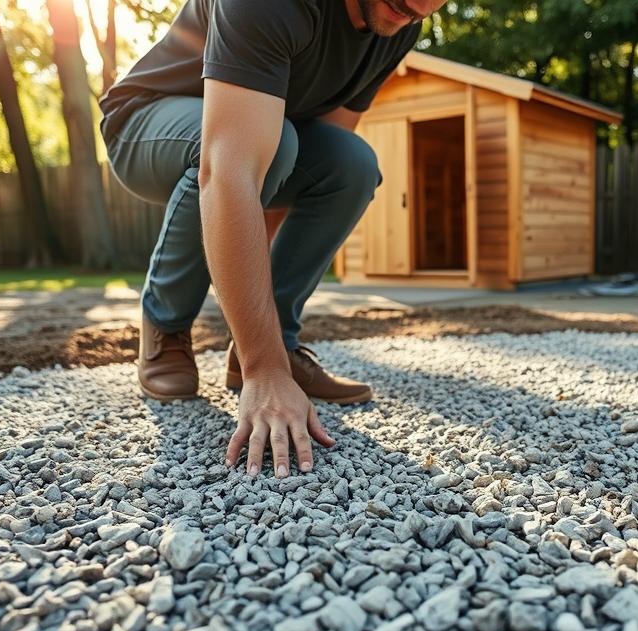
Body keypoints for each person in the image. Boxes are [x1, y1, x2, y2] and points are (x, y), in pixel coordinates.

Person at [98, 0, 445, 480]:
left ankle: (275, 340)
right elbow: (229, 170)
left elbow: (315, 163)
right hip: (144, 120)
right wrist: (264, 371)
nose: (421, 4)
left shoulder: (398, 22)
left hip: (267, 136)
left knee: (352, 165)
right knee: (274, 143)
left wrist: (263, 342)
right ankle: (166, 323)